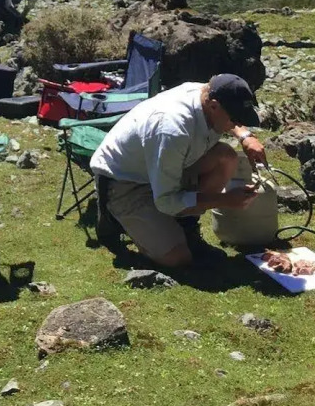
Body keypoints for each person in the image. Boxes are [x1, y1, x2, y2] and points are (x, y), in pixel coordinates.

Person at [89, 73, 268, 269]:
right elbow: (166, 201)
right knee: (177, 259)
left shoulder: (208, 91)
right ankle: (114, 218)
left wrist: (245, 137)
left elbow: (228, 112)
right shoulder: (172, 129)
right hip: (125, 182)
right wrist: (227, 200)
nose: (235, 125)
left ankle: (186, 227)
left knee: (225, 157)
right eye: (234, 120)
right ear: (214, 106)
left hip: (162, 166)